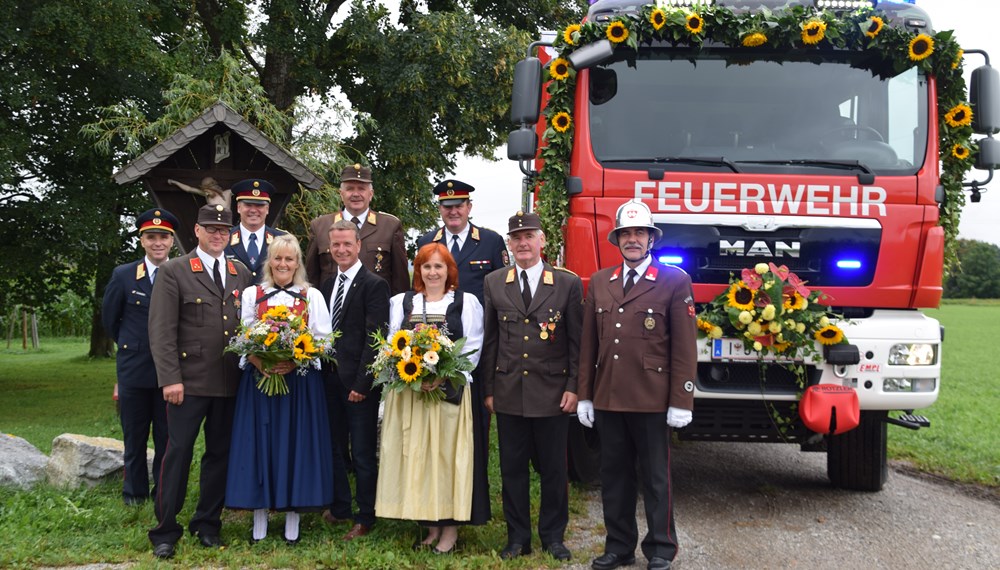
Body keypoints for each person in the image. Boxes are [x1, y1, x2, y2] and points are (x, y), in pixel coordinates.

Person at [576, 199, 698, 570]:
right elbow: (588, 345)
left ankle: (661, 548)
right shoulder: (600, 281)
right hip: (609, 397)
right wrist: (585, 395)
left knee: (656, 478)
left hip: (652, 399)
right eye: (626, 233)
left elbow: (684, 347)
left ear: (650, 239)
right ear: (617, 239)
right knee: (614, 477)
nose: (632, 240)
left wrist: (682, 399)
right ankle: (619, 546)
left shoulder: (675, 281)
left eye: (639, 233)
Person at [147, 204, 253, 560]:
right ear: (196, 231)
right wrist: (170, 379)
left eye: (224, 230)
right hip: (187, 384)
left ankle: (207, 523)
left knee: (219, 456)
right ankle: (165, 529)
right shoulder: (176, 270)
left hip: (229, 383)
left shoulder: (241, 272)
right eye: (211, 229)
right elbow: (161, 331)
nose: (218, 234)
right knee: (177, 454)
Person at [480, 211, 583, 562]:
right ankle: (518, 538)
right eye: (516, 238)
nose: (523, 243)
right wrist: (489, 390)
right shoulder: (495, 282)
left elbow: (577, 343)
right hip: (508, 392)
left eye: (529, 236)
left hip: (553, 393)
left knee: (555, 469)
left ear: (543, 241)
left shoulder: (567, 283)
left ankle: (553, 536)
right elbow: (490, 341)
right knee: (512, 470)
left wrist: (574, 387)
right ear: (509, 244)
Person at [374, 243, 488, 554]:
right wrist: (411, 373)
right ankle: (430, 526)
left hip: (448, 395)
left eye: (439, 266)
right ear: (418, 271)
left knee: (446, 459)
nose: (433, 272)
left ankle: (449, 529)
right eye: (426, 267)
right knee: (419, 459)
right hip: (412, 395)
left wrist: (442, 374)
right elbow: (390, 345)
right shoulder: (402, 302)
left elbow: (473, 347)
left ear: (449, 270)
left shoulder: (466, 303)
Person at [225, 233, 335, 544]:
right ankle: (259, 513)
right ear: (269, 262)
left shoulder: (310, 296)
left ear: (298, 262)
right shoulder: (252, 294)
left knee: (293, 444)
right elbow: (243, 335)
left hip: (299, 382)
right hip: (260, 381)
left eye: (289, 258)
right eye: (277, 258)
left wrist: (297, 357)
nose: (283, 264)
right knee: (262, 443)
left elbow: (323, 340)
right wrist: (260, 359)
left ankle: (292, 516)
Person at [101, 207, 179, 506]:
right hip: (134, 369)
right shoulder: (123, 275)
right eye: (151, 237)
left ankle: (162, 491)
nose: (157, 243)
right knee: (134, 436)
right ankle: (134, 492)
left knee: (165, 436)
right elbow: (111, 320)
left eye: (163, 237)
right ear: (142, 240)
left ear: (171, 241)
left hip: (168, 373)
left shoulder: (180, 273)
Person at [319, 219, 390, 541]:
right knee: (334, 447)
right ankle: (341, 506)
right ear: (329, 247)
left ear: (359, 245)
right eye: (336, 244)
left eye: (347, 244)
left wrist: (363, 384)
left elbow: (376, 339)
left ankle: (366, 515)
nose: (342, 250)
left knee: (361, 453)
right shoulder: (325, 283)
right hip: (328, 380)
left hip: (358, 384)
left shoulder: (374, 284)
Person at [306, 163, 409, 294]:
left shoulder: (390, 226)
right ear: (341, 194)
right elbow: (311, 277)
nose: (355, 194)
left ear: (370, 194)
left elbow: (400, 280)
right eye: (350, 189)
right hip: (331, 308)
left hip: (376, 308)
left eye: (361, 189)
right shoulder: (320, 226)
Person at [416, 179, 508, 303]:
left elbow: (503, 287)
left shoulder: (491, 241)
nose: (453, 212)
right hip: (438, 318)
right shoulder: (426, 242)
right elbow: (418, 286)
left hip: (479, 319)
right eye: (448, 207)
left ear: (469, 207)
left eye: (459, 206)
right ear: (440, 209)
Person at [225, 178, 287, 283]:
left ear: (267, 209)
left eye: (259, 205)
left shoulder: (282, 240)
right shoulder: (224, 239)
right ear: (238, 207)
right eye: (248, 205)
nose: (253, 210)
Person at [167, 176, 231, 207]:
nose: (206, 191)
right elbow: (189, 189)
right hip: (213, 222)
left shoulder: (228, 192)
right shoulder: (207, 195)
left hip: (226, 222)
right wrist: (175, 182)